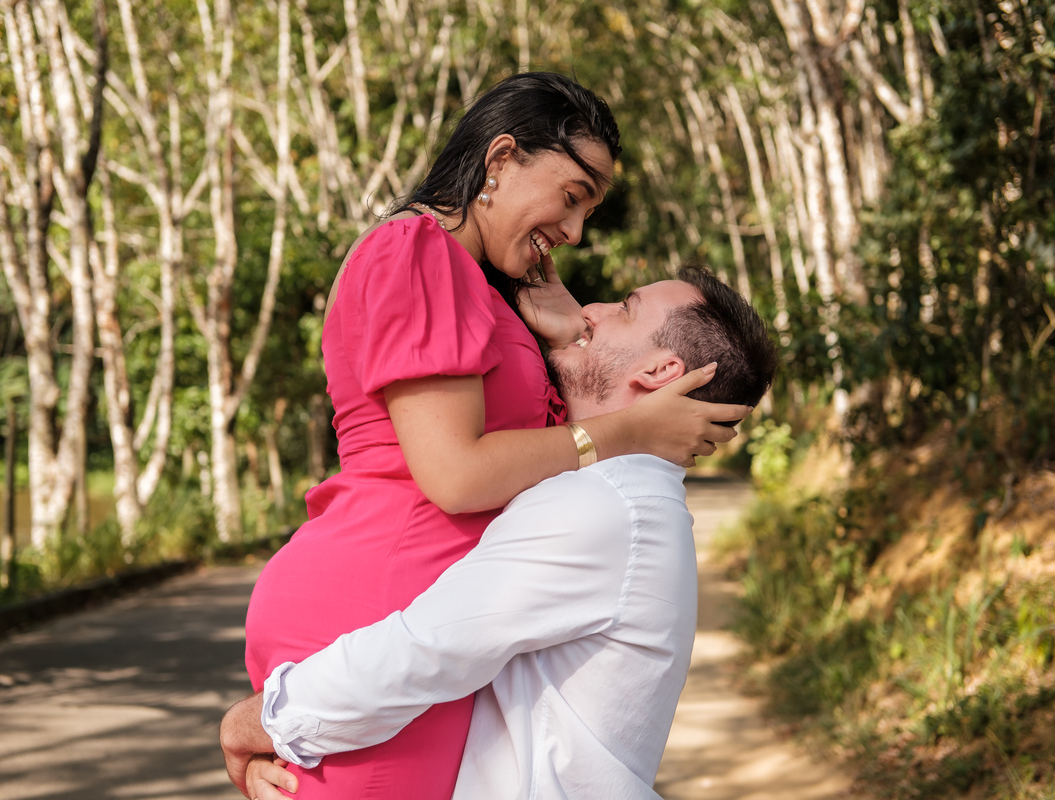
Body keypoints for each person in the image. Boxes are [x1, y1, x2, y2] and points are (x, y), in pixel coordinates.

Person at [243, 73, 751, 800]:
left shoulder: (478, 283)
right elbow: (456, 475)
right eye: (573, 196)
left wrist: (568, 335)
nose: (576, 233)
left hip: (418, 629)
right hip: (379, 616)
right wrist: (628, 428)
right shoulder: (414, 251)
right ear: (502, 159)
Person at [222, 265, 778, 800]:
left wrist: (263, 719)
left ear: (660, 372)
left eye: (624, 310)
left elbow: (427, 649)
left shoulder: (605, 505)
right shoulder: (614, 493)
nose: (592, 311)